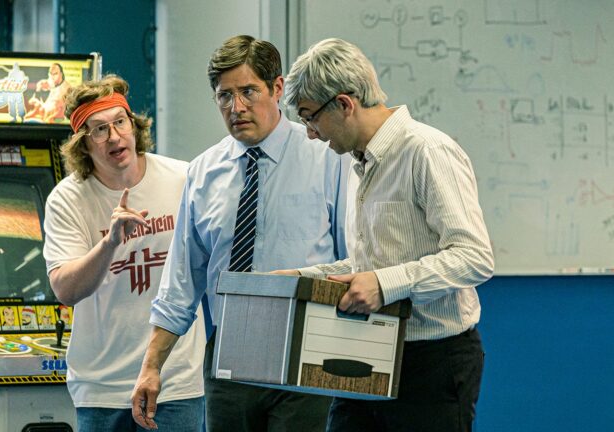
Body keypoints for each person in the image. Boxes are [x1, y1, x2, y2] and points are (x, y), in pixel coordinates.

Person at [131, 35, 350, 432]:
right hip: (230, 353)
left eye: (248, 91)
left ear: (278, 89)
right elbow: (181, 282)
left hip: (307, 350)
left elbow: (353, 259)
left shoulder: (328, 157)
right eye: (224, 96)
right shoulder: (203, 172)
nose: (237, 108)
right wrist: (151, 367)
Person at [278, 38, 495, 432]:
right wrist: (301, 280)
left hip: (432, 361)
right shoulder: (358, 164)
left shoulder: (426, 151)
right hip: (368, 352)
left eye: (310, 117)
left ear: (344, 104)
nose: (310, 133)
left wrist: (384, 284)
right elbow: (371, 265)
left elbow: (473, 256)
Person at [42, 74, 206, 432]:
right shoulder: (68, 199)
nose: (114, 136)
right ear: (83, 145)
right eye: (99, 130)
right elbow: (65, 290)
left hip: (175, 382)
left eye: (120, 122)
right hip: (102, 386)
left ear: (134, 126)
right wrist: (110, 242)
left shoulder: (183, 179)